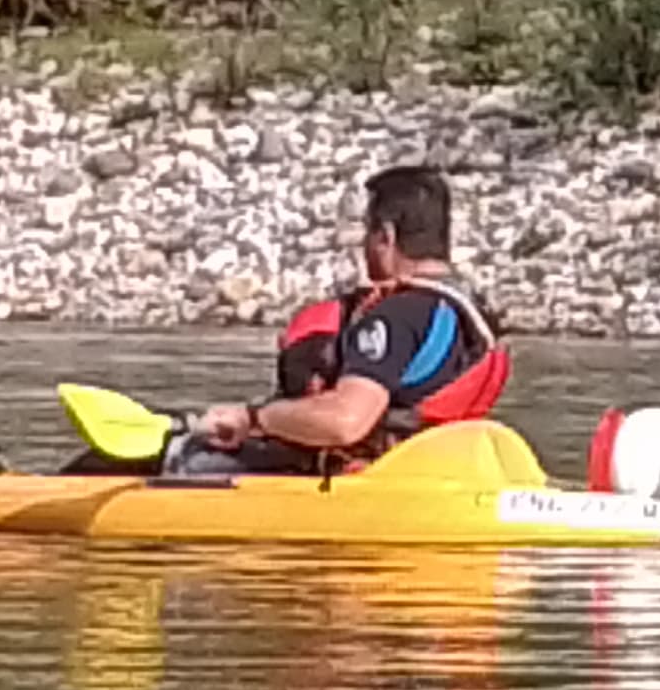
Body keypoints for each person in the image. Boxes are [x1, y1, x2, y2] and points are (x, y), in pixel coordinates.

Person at [172, 163, 507, 476]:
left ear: (385, 237)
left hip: (365, 480)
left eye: (367, 231)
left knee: (189, 457)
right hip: (434, 470)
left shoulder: (396, 315)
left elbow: (345, 421)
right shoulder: (471, 311)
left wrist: (253, 418)